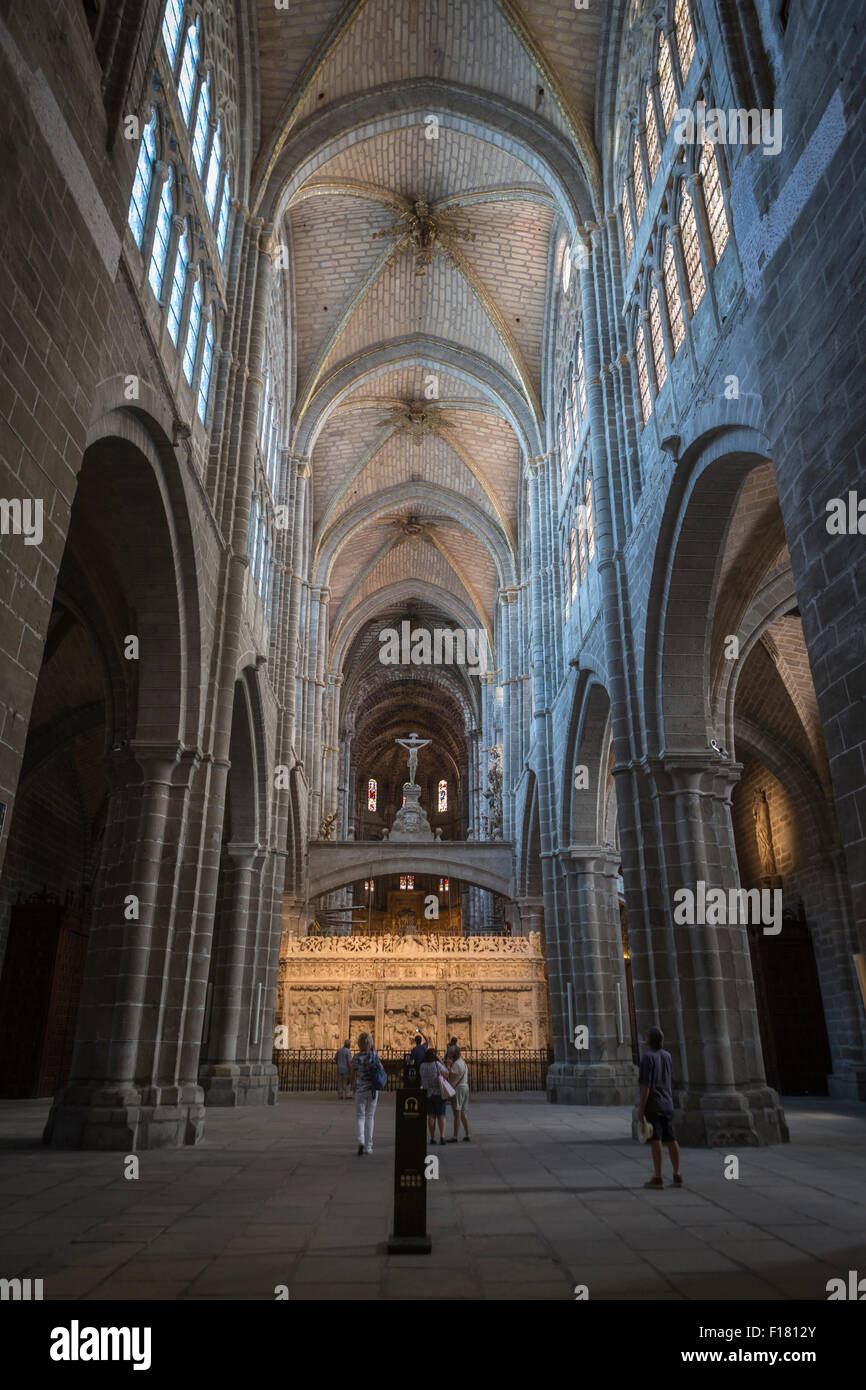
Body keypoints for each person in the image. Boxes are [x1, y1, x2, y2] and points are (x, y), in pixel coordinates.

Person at [637, 1026, 682, 1188]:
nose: (645, 1037)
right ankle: (677, 1174)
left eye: (647, 1036)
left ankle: (658, 1176)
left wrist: (641, 1108)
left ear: (650, 1040)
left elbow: (646, 1085)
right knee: (671, 1139)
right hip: (667, 1103)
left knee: (656, 1140)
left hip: (654, 1104)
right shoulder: (667, 1056)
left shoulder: (647, 1058)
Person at [351, 1032, 379, 1155]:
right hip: (372, 1090)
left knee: (360, 1116)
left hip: (360, 1089)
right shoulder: (373, 1055)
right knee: (370, 1116)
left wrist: (353, 1086)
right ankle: (369, 1146)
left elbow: (352, 1072)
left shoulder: (356, 1057)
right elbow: (381, 1069)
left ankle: (361, 1140)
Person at [419, 1048, 448, 1145]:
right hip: (438, 1093)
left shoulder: (422, 1066)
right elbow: (446, 1073)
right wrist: (441, 1062)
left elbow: (421, 1077)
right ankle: (442, 1136)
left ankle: (432, 1138)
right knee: (441, 1115)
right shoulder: (437, 1064)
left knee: (431, 1116)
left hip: (427, 1093)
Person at [446, 1046, 470, 1142]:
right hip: (465, 1087)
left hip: (458, 1089)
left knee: (457, 1113)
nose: (449, 1056)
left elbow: (449, 1074)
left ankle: (455, 1136)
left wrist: (448, 1065)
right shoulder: (462, 1062)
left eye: (450, 1054)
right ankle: (467, 1134)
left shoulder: (456, 1064)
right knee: (462, 1112)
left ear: (454, 1054)